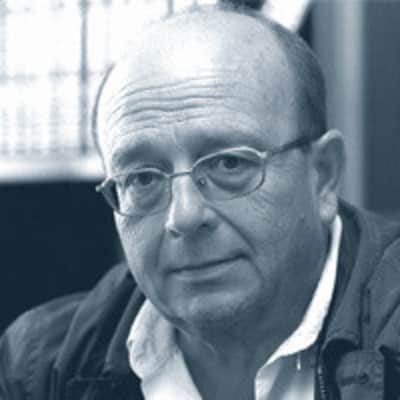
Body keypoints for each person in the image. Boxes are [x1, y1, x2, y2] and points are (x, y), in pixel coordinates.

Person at [1, 1, 400, 399]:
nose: (184, 216)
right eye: (143, 178)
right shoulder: (36, 370)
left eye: (229, 164)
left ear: (323, 176)